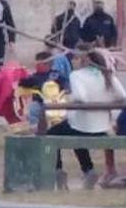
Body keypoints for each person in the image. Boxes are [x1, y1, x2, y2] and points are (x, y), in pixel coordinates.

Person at [47, 47, 126, 190]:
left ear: (85, 60)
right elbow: (123, 97)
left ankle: (59, 172)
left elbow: (80, 98)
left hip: (82, 126)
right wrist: (106, 104)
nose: (74, 62)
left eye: (76, 59)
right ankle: (88, 170)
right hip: (103, 128)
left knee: (51, 133)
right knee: (73, 130)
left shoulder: (76, 75)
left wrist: (71, 99)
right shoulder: (108, 75)